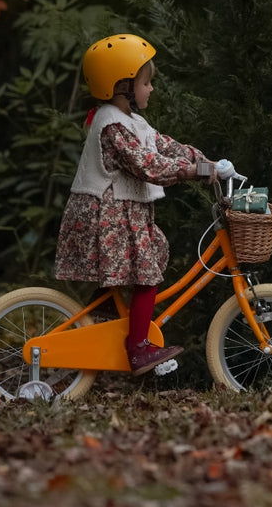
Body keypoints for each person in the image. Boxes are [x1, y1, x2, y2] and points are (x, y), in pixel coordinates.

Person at [56, 33, 216, 376]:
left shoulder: (133, 122)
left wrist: (204, 161)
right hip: (107, 214)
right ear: (121, 86)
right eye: (146, 83)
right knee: (147, 275)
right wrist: (193, 171)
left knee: (142, 264)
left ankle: (105, 316)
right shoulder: (112, 126)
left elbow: (164, 145)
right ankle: (139, 348)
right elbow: (148, 165)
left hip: (122, 213)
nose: (151, 89)